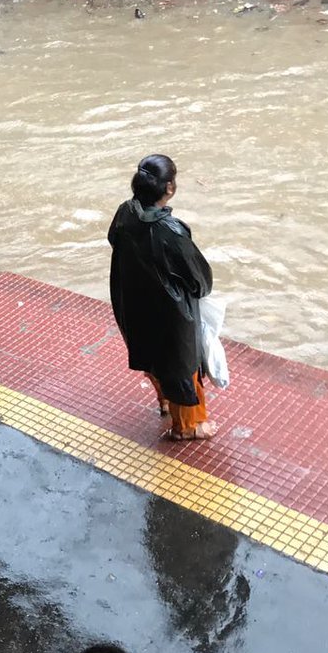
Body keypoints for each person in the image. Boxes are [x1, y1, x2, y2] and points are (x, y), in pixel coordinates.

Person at [108, 155, 216, 441]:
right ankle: (189, 427)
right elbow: (199, 279)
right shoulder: (171, 231)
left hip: (133, 303)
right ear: (169, 188)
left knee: (152, 358)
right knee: (181, 367)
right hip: (172, 315)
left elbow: (114, 241)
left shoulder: (124, 212)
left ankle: (165, 402)